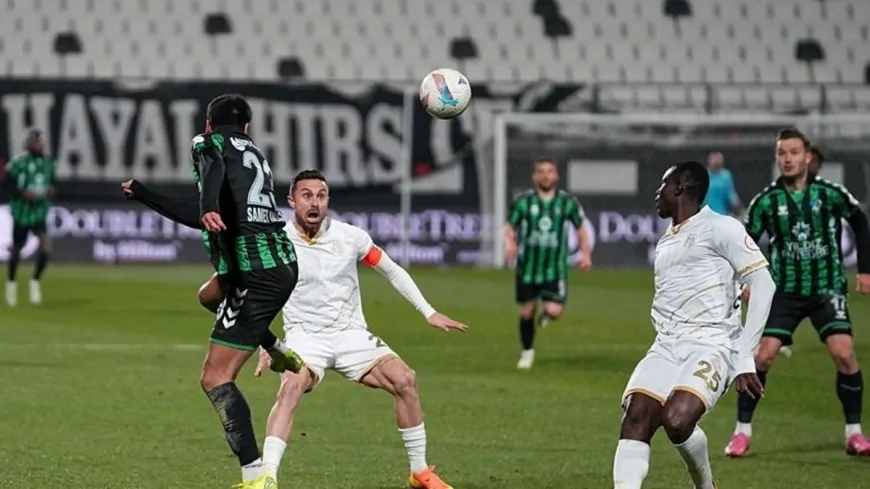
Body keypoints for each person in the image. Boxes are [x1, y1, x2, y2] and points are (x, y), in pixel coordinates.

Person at [127, 169, 467, 489]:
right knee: (290, 388)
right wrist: (265, 343)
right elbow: (254, 293)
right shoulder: (275, 242)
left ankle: (419, 472)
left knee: (405, 380)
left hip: (352, 335)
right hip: (305, 338)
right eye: (306, 195)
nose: (315, 202)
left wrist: (428, 311)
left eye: (321, 195)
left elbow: (391, 269)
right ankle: (267, 478)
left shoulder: (351, 237)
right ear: (291, 201)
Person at [612, 161, 775, 489]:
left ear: (679, 188)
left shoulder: (721, 228)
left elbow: (763, 284)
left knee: (676, 420)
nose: (656, 193)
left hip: (712, 346)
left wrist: (745, 357)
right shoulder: (667, 241)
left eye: (662, 185)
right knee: (636, 415)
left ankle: (705, 485)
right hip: (666, 344)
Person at [182, 93, 306, 489]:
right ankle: (274, 346)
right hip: (275, 263)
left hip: (256, 270)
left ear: (207, 125)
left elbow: (211, 167)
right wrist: (148, 196)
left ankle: (256, 477)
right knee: (209, 297)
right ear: (247, 128)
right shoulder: (253, 154)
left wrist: (204, 203)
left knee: (215, 377)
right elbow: (211, 214)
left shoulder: (209, 145)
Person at [725, 128, 870, 458]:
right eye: (782, 153)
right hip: (783, 291)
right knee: (761, 356)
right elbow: (745, 243)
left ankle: (854, 434)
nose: (787, 159)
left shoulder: (830, 194)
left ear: (807, 157)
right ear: (777, 158)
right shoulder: (766, 201)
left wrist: (865, 269)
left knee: (844, 354)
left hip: (826, 287)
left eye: (793, 152)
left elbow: (859, 220)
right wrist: (744, 280)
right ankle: (741, 432)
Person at [503, 158, 592, 370]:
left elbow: (581, 229)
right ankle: (527, 352)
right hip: (528, 267)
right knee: (526, 312)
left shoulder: (567, 202)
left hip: (555, 268)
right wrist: (510, 244)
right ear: (535, 177)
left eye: (550, 171)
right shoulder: (524, 201)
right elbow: (509, 227)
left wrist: (585, 254)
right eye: (541, 171)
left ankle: (546, 314)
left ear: (556, 176)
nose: (546, 175)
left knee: (555, 311)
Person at [3, 129, 55, 307]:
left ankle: (35, 281)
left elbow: (52, 182)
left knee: (45, 248)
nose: (40, 145)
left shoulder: (48, 163)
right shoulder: (19, 162)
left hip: (39, 211)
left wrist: (50, 190)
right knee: (17, 249)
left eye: (41, 142)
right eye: (37, 142)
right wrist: (22, 194)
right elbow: (6, 182)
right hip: (22, 212)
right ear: (30, 143)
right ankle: (11, 283)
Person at [703, 152, 742, 216]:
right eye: (714, 158)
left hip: (721, 213)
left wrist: (740, 210)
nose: (716, 161)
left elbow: (731, 195)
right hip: (706, 214)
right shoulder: (704, 175)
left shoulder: (726, 176)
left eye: (718, 158)